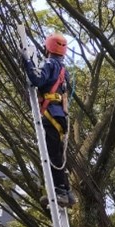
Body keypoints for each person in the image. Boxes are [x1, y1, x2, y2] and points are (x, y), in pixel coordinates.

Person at [21, 32, 75, 208]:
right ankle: (66, 190)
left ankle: (60, 192)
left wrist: (27, 62)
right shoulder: (64, 71)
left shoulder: (50, 64)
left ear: (47, 48)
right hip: (60, 115)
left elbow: (37, 79)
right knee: (57, 154)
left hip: (50, 113)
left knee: (52, 155)